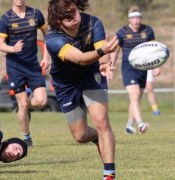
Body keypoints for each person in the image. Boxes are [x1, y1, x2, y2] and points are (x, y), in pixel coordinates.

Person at [45, 0, 118, 179]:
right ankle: (95, 137)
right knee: (80, 135)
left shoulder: (93, 23)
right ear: (58, 20)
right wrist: (101, 54)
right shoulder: (53, 38)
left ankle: (109, 174)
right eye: (67, 16)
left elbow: (102, 51)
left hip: (91, 76)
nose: (74, 17)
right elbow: (80, 59)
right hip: (66, 84)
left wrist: (104, 64)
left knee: (102, 122)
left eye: (74, 11)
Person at [0, 0, 50, 147]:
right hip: (15, 67)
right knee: (22, 104)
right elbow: (0, 44)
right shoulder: (6, 18)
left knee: (41, 101)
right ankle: (27, 138)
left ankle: (27, 107)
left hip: (33, 66)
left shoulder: (35, 14)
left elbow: (48, 35)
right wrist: (13, 49)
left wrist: (46, 56)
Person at [110, 5, 155, 134]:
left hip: (144, 68)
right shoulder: (122, 32)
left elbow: (154, 50)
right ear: (129, 19)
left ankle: (129, 126)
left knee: (136, 98)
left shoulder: (148, 30)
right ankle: (140, 123)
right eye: (134, 18)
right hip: (128, 68)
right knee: (134, 95)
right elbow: (115, 50)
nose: (136, 20)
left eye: (138, 17)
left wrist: (156, 67)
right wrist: (112, 64)